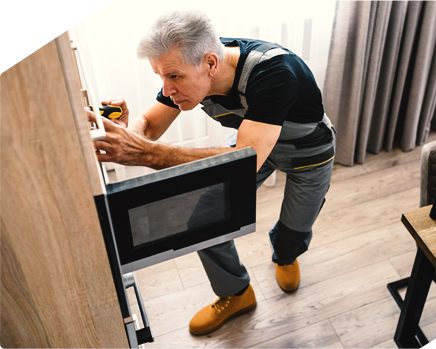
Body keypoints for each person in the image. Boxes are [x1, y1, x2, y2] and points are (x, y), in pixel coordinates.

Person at [87, 9, 335, 335]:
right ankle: (236, 293)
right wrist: (125, 132)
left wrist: (148, 153)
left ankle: (286, 256)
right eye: (161, 77)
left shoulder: (275, 71)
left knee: (293, 233)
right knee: (203, 222)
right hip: (253, 143)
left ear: (211, 64)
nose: (167, 89)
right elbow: (148, 125)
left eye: (173, 77)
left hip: (306, 153)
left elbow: (245, 161)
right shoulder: (187, 65)